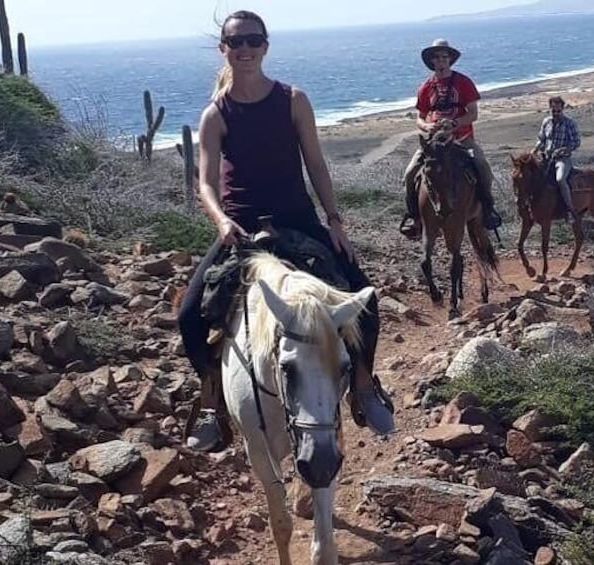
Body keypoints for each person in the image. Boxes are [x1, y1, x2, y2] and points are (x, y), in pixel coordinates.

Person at [178, 10, 395, 451]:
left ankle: (364, 385)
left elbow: (315, 163)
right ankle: (211, 404)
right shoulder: (215, 115)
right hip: (241, 229)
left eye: (252, 41)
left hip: (297, 220)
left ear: (265, 45)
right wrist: (221, 222)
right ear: (224, 49)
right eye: (236, 42)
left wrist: (334, 222)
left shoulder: (293, 99)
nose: (245, 49)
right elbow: (204, 181)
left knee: (365, 302)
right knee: (187, 315)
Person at [399, 38, 502, 239]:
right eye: (436, 57)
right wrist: (427, 126)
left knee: (482, 166)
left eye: (444, 57)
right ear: (432, 61)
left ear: (450, 60)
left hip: (461, 140)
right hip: (433, 143)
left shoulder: (463, 82)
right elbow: (420, 117)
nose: (440, 61)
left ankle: (488, 209)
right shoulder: (426, 87)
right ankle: (414, 216)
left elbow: (473, 113)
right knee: (410, 173)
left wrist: (454, 124)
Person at [533, 96, 581, 224]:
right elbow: (541, 139)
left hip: (562, 159)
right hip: (547, 158)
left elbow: (576, 142)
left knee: (560, 179)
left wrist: (563, 150)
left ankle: (569, 210)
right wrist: (534, 150)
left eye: (558, 111)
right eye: (553, 111)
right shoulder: (546, 122)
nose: (556, 114)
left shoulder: (569, 123)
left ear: (562, 109)